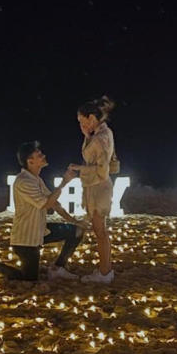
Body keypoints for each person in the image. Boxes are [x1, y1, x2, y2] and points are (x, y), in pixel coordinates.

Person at [0, 141, 87, 281]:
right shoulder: (23, 181)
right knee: (29, 279)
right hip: (25, 240)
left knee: (77, 231)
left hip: (41, 232)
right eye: (39, 154)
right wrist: (64, 182)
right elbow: (46, 203)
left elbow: (55, 203)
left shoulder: (36, 179)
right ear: (30, 161)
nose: (43, 155)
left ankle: (58, 268)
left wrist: (75, 221)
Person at [69, 96, 117, 283]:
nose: (80, 125)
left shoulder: (100, 139)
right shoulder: (100, 134)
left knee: (100, 231)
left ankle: (105, 272)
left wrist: (79, 168)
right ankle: (106, 270)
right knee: (100, 231)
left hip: (98, 188)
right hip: (95, 187)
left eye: (82, 121)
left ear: (91, 118)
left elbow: (102, 170)